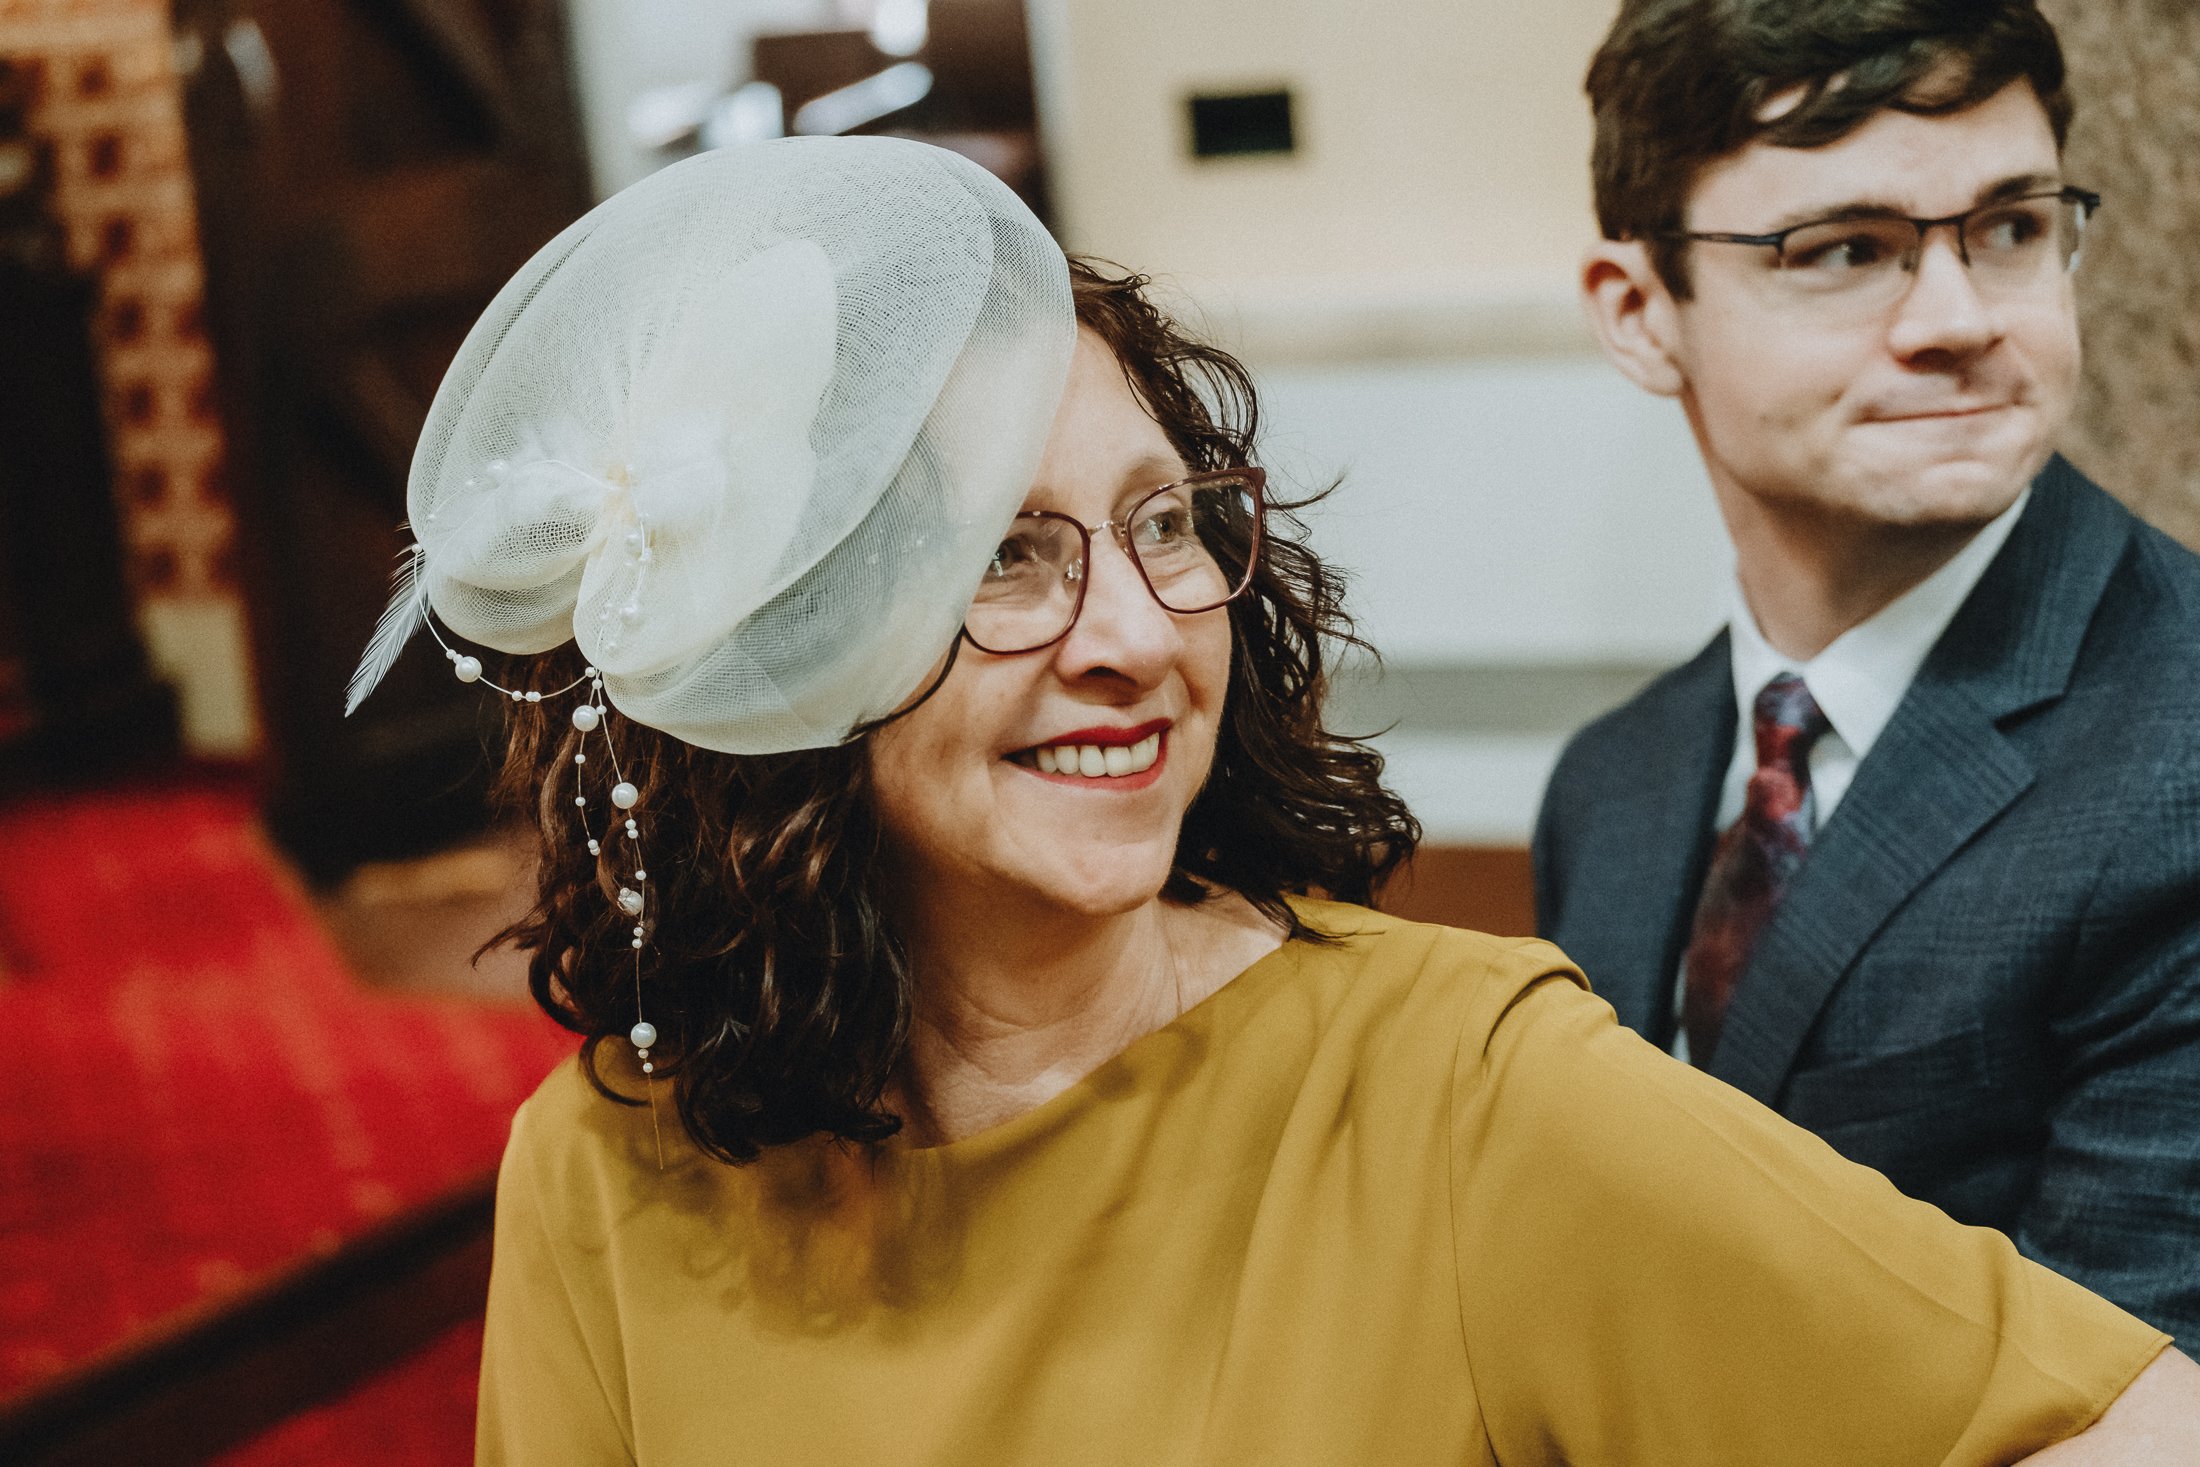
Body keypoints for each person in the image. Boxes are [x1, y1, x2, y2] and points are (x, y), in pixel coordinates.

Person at [347, 137, 2198, 1464]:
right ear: (781, 658)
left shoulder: (1459, 1093)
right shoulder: (602, 1174)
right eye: (1007, 559)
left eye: (1168, 527)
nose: (1139, 636)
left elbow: (2130, 1413)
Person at [1534, 0, 2200, 1353]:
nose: (1960, 321)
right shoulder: (1613, 782)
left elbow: (2123, 1390)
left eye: (2011, 228)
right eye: (1848, 250)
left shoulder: (2179, 757)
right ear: (1641, 311)